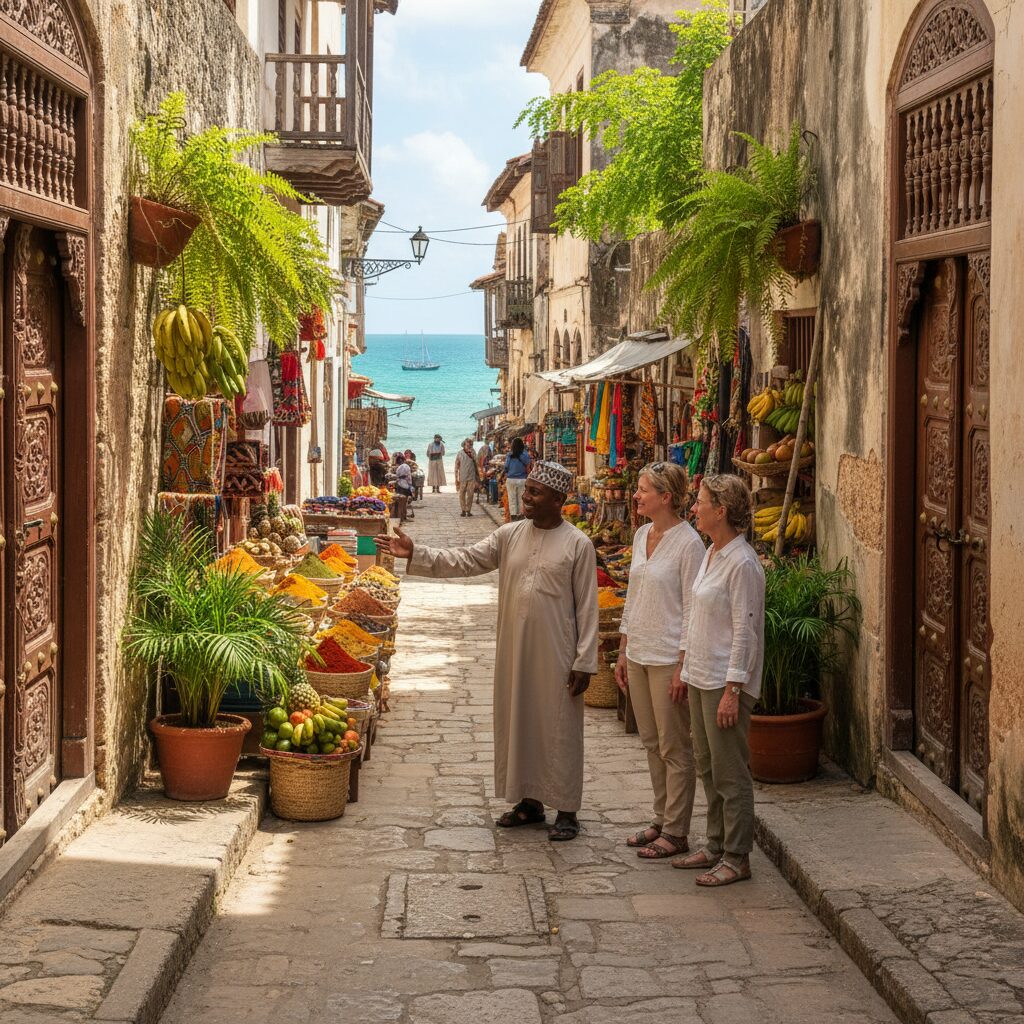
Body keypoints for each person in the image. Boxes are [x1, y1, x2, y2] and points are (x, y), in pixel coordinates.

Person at [376, 461, 598, 841]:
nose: (525, 497)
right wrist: (415, 553)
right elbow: (465, 559)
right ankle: (529, 802)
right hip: (515, 649)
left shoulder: (578, 544)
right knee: (519, 722)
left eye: (534, 492)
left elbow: (587, 608)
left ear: (558, 499)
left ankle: (566, 809)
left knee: (559, 727)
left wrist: (585, 660)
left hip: (559, 653)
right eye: (526, 490)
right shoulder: (509, 535)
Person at [673, 474, 764, 887]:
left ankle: (736, 855)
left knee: (730, 771)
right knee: (708, 766)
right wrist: (686, 665)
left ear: (721, 511)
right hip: (701, 675)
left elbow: (745, 631)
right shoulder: (712, 553)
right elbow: (696, 613)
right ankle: (714, 843)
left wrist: (733, 690)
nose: (695, 508)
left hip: (724, 682)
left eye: (702, 502)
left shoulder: (742, 563)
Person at [614, 463, 705, 861]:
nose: (637, 495)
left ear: (666, 497)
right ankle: (660, 817)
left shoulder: (689, 545)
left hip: (669, 656)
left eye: (643, 489)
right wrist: (621, 649)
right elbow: (633, 598)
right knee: (651, 742)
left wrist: (684, 663)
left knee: (674, 745)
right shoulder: (640, 535)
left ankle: (676, 830)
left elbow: (692, 609)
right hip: (638, 653)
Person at [504, 438, 532, 521]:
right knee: (521, 498)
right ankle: (521, 516)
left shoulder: (509, 455)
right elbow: (528, 466)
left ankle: (513, 516)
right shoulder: (525, 454)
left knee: (512, 498)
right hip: (522, 479)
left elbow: (506, 467)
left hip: (511, 479)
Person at [454, 438, 480, 518]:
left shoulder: (473, 452)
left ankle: (468, 510)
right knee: (461, 494)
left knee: (470, 494)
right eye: (467, 444)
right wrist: (456, 477)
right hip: (463, 476)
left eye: (470, 444)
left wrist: (477, 475)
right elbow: (456, 465)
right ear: (464, 445)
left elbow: (476, 462)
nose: (469, 445)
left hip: (471, 476)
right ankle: (463, 509)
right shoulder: (460, 453)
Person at [393, 453, 414, 522]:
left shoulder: (398, 468)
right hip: (405, 487)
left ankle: (401, 517)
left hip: (400, 485)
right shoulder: (406, 466)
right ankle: (403, 517)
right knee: (404, 503)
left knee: (400, 503)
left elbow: (397, 476)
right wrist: (410, 486)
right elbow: (409, 478)